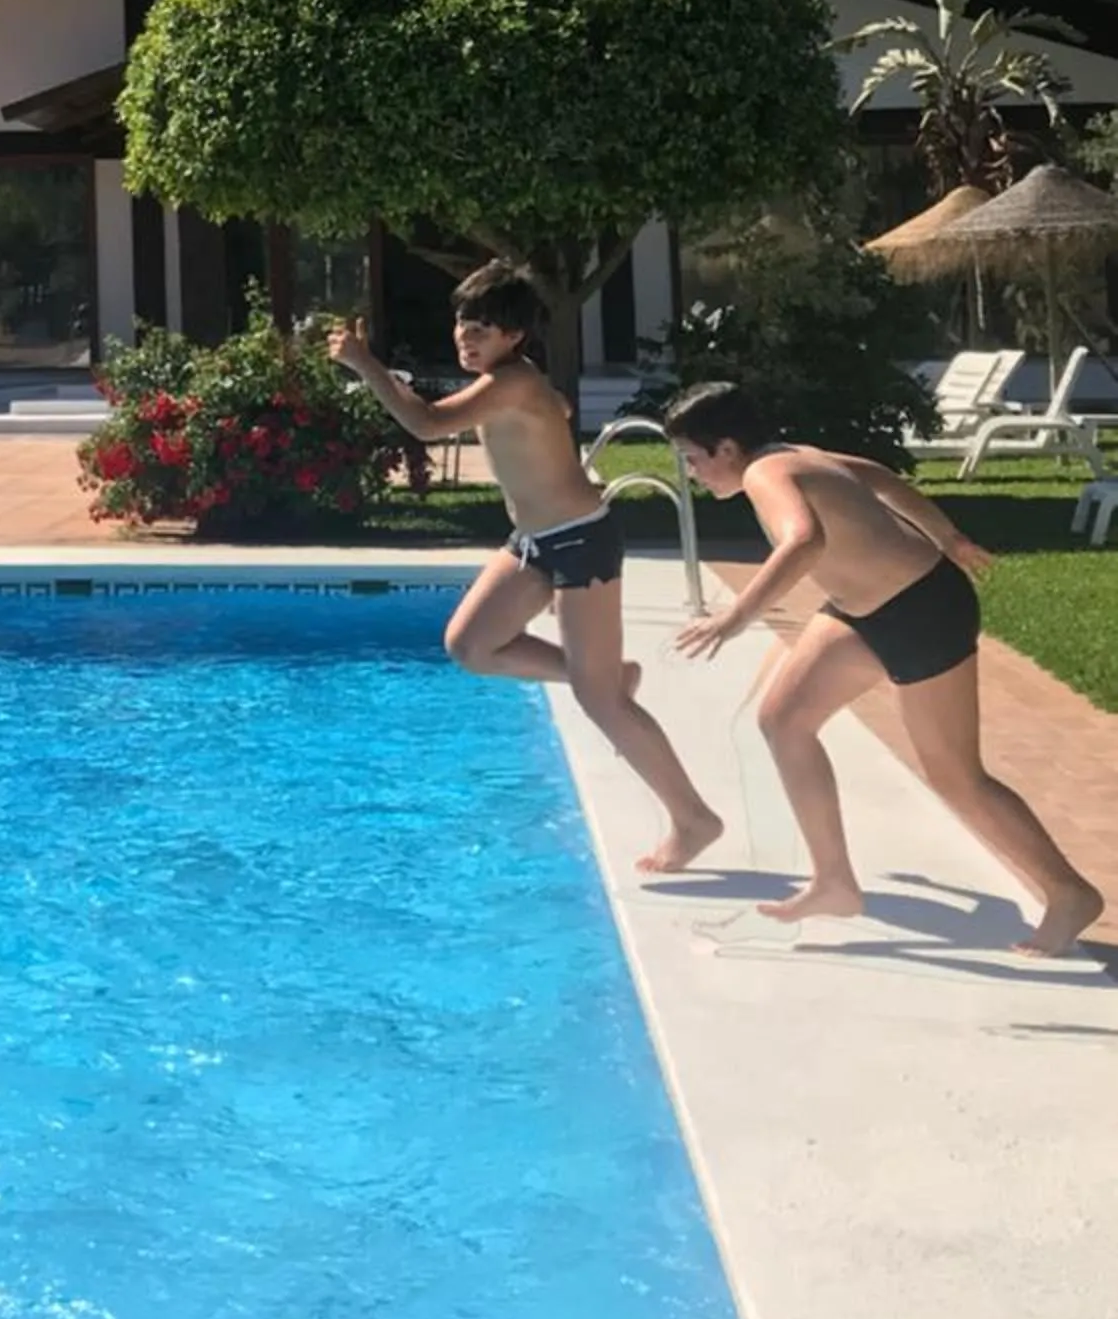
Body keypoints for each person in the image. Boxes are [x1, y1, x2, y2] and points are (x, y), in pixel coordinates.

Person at [665, 379, 1103, 958]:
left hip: (921, 611)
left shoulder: (764, 474)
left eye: (693, 460)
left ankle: (1070, 893)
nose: (693, 473)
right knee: (784, 720)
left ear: (725, 448)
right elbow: (876, 475)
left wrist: (734, 616)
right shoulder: (794, 455)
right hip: (864, 612)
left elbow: (803, 541)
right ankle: (834, 883)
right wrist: (947, 535)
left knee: (957, 777)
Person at [327, 265, 723, 875]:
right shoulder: (513, 380)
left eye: (480, 328)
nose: (465, 335)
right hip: (535, 542)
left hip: (580, 544)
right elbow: (556, 408)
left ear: (513, 335)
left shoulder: (508, 383)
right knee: (471, 644)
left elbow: (427, 423)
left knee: (602, 704)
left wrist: (364, 363)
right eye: (461, 322)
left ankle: (694, 818)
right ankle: (609, 674)